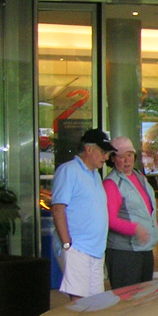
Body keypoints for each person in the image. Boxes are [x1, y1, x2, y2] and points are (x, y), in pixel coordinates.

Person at [51, 128, 115, 300]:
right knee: (79, 302)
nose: (106, 157)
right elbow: (58, 208)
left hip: (95, 249)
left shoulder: (94, 174)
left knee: (95, 302)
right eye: (102, 152)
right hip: (78, 247)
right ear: (88, 149)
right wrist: (67, 244)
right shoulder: (69, 170)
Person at [103, 136, 158, 290]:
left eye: (129, 155)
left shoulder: (139, 176)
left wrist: (155, 226)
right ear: (113, 159)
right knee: (127, 301)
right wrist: (135, 229)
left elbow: (146, 207)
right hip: (124, 252)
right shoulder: (111, 183)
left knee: (144, 298)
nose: (126, 160)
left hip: (144, 248)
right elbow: (110, 219)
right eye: (121, 156)